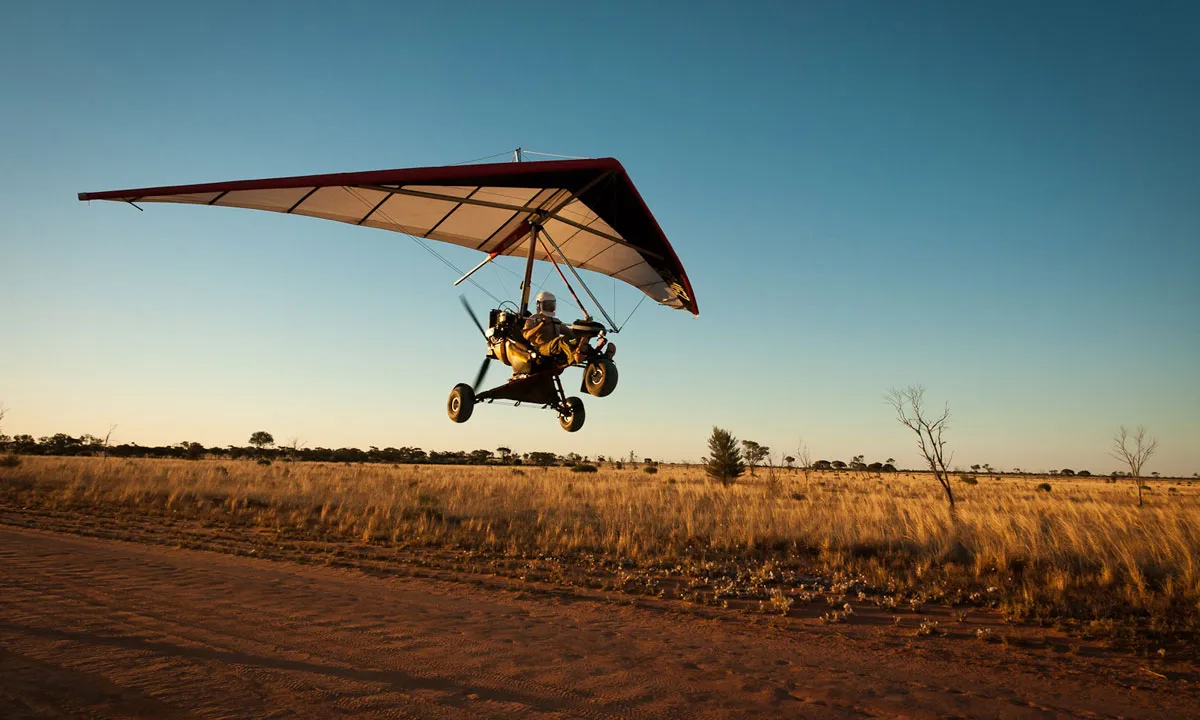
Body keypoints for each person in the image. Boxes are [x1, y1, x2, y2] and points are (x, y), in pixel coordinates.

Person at [522, 291, 585, 364]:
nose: (549, 307)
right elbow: (526, 335)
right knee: (561, 340)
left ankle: (591, 357)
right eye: (547, 304)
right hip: (540, 348)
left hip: (554, 347)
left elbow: (571, 335)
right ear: (539, 305)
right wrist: (540, 326)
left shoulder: (555, 320)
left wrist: (582, 329)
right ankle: (572, 357)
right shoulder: (534, 318)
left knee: (578, 339)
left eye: (551, 304)